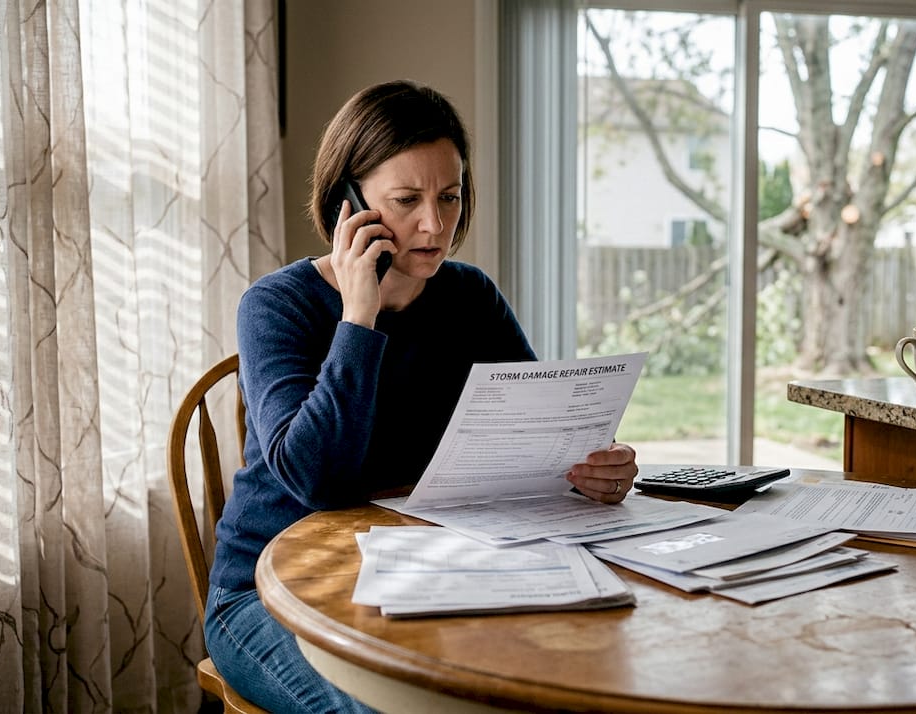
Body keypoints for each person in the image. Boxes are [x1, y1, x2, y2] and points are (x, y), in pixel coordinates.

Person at [203, 79, 640, 713]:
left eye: (450, 197)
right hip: (270, 592)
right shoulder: (276, 305)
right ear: (348, 203)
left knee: (575, 675)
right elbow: (317, 482)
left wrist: (588, 471)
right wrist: (359, 317)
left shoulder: (471, 297)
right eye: (406, 199)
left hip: (432, 572)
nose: (434, 225)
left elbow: (534, 444)